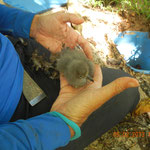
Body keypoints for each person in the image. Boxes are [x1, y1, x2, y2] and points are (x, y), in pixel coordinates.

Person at [0, 4, 140, 150]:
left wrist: (31, 24)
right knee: (126, 94)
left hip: (16, 50)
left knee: (126, 92)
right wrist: (62, 124)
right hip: (16, 124)